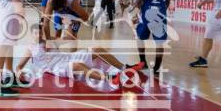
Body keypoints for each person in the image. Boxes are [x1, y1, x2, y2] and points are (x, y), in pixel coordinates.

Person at [16, 24, 144, 85]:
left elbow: (68, 39)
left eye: (39, 32)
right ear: (31, 35)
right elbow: (19, 66)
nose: (38, 35)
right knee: (77, 65)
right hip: (54, 67)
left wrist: (68, 25)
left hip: (67, 57)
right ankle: (110, 78)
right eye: (35, 33)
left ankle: (124, 68)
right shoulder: (30, 48)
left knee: (96, 49)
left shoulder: (50, 41)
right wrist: (18, 72)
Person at [135, 0, 170, 74]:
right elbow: (167, 1)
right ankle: (157, 68)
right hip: (160, 14)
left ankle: (143, 62)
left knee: (140, 38)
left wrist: (138, 10)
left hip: (147, 14)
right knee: (159, 42)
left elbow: (138, 1)